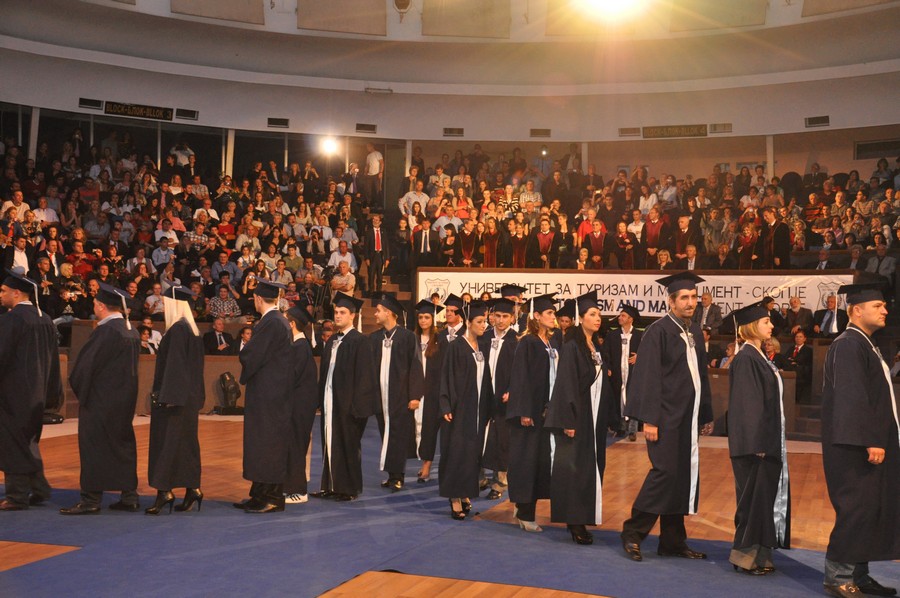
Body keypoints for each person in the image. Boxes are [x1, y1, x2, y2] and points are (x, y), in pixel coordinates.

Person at [621, 272, 714, 561]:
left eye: (693, 297)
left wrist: (705, 414)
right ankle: (633, 532)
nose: (690, 302)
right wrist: (649, 419)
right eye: (684, 298)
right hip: (664, 418)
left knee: (681, 476)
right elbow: (647, 377)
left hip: (688, 417)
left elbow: (701, 376)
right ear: (671, 301)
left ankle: (672, 541)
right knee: (665, 474)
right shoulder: (658, 332)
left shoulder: (694, 331)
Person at [820, 282, 899, 598]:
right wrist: (871, 440)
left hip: (868, 442)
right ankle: (838, 576)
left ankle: (859, 575)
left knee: (869, 509)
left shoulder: (864, 343)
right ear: (856, 310)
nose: (885, 310)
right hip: (853, 446)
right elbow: (852, 398)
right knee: (855, 508)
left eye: (884, 305)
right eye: (878, 306)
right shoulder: (849, 344)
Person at [62, 283, 141, 515]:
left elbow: (85, 367)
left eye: (95, 303)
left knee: (94, 447)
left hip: (101, 400)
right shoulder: (131, 330)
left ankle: (91, 499)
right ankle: (129, 496)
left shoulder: (106, 331)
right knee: (122, 446)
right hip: (124, 401)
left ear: (101, 306)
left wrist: (82, 391)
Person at [725, 302, 791, 575]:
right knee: (752, 502)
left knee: (763, 500)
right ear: (752, 326)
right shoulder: (746, 358)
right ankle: (744, 558)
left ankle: (761, 556)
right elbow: (748, 405)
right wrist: (757, 444)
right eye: (766, 322)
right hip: (755, 445)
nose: (771, 326)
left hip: (765, 442)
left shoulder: (758, 355)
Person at [544, 291, 614, 544]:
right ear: (580, 318)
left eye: (599, 314)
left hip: (595, 418)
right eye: (592, 314)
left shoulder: (596, 347)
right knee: (575, 470)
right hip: (578, 417)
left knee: (591, 467)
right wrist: (568, 420)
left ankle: (584, 516)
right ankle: (574, 521)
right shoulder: (572, 346)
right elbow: (566, 384)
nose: (597, 318)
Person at [0, 270, 60, 510]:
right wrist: (52, 392)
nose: (0, 294)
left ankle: (17, 496)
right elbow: (54, 360)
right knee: (27, 441)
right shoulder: (45, 318)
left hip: (12, 392)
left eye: (3, 291)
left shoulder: (11, 320)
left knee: (12, 443)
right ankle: (39, 488)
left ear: (16, 293)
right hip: (38, 391)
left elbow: (2, 356)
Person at [233, 279, 293, 513]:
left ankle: (272, 497)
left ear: (258, 299)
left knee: (268, 444)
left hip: (270, 394)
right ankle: (259, 493)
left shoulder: (272, 322)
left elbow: (251, 354)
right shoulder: (276, 321)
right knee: (261, 442)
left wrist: (245, 352)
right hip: (269, 392)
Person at [146, 286, 205, 515]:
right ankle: (193, 489)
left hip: (173, 399)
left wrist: (167, 397)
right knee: (186, 445)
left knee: (166, 444)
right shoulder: (192, 330)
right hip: (187, 399)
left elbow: (175, 366)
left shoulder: (178, 330)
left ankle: (164, 491)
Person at [313, 292, 377, 502]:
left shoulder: (360, 341)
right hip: (330, 402)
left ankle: (348, 489)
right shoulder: (332, 339)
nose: (338, 316)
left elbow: (365, 377)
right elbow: (325, 372)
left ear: (352, 316)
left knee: (347, 446)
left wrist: (358, 407)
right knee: (329, 444)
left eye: (342, 312)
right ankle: (330, 485)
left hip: (349, 406)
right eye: (336, 312)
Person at [506, 293, 559, 534]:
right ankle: (525, 513)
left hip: (544, 413)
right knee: (527, 464)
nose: (553, 317)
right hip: (529, 415)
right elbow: (520, 377)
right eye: (549, 313)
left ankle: (522, 507)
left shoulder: (550, 343)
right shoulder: (528, 342)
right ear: (536, 316)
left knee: (539, 464)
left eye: (553, 313)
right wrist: (524, 410)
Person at [439, 300, 492, 520]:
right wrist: (446, 404)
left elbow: (486, 380)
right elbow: (446, 377)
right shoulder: (456, 346)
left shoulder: (482, 347)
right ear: (468, 323)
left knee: (471, 454)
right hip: (459, 409)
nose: (484, 325)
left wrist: (489, 407)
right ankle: (454, 497)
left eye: (485, 321)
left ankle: (466, 493)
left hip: (477, 410)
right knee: (457, 453)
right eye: (479, 321)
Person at [370, 292, 424, 491]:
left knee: (398, 436)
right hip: (381, 398)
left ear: (389, 313)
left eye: (378, 311)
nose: (375, 314)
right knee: (386, 434)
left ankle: (398, 476)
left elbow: (416, 366)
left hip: (400, 397)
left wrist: (415, 395)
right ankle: (391, 475)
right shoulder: (375, 338)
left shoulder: (407, 337)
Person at [479, 297, 519, 501]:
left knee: (502, 440)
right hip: (484, 396)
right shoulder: (483, 337)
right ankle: (479, 478)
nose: (501, 320)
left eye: (505, 316)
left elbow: (521, 372)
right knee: (479, 436)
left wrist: (512, 390)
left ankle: (500, 482)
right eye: (498, 316)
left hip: (504, 399)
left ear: (512, 318)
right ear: (492, 317)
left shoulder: (516, 341)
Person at [283, 306, 319, 505]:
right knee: (292, 445)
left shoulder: (299, 347)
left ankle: (298, 490)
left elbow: (291, 378)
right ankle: (289, 487)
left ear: (292, 324)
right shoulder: (299, 345)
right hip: (299, 406)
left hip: (299, 407)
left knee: (296, 446)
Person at [411, 300, 446, 483]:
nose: (423, 320)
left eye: (426, 317)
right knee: (416, 428)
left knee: (430, 430)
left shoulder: (441, 340)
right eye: (420, 317)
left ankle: (426, 466)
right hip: (416, 391)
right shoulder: (412, 339)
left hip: (433, 392)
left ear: (433, 319)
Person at [605, 305, 642, 441]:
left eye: (623, 316)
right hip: (617, 373)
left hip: (633, 372)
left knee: (632, 399)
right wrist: (608, 367)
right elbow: (606, 352)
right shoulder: (613, 335)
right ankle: (619, 427)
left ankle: (632, 430)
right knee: (618, 399)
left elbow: (648, 350)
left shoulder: (639, 335)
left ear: (630, 319)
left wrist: (639, 356)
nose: (620, 318)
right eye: (620, 315)